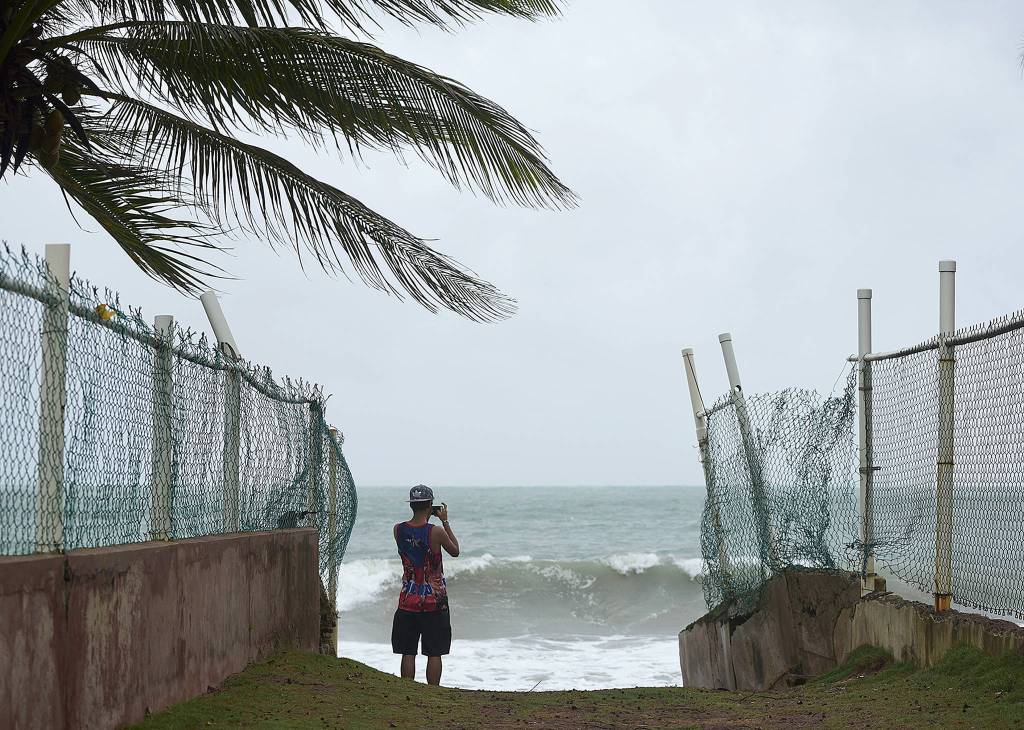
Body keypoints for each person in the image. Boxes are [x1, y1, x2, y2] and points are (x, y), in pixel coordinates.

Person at [392, 484, 460, 685]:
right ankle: (433, 691)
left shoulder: (398, 530)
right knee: (434, 652)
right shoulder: (436, 531)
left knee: (408, 651)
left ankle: (407, 689)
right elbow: (455, 550)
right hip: (434, 601)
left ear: (412, 505)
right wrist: (445, 521)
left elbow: (414, 543)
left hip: (408, 599)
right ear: (430, 505)